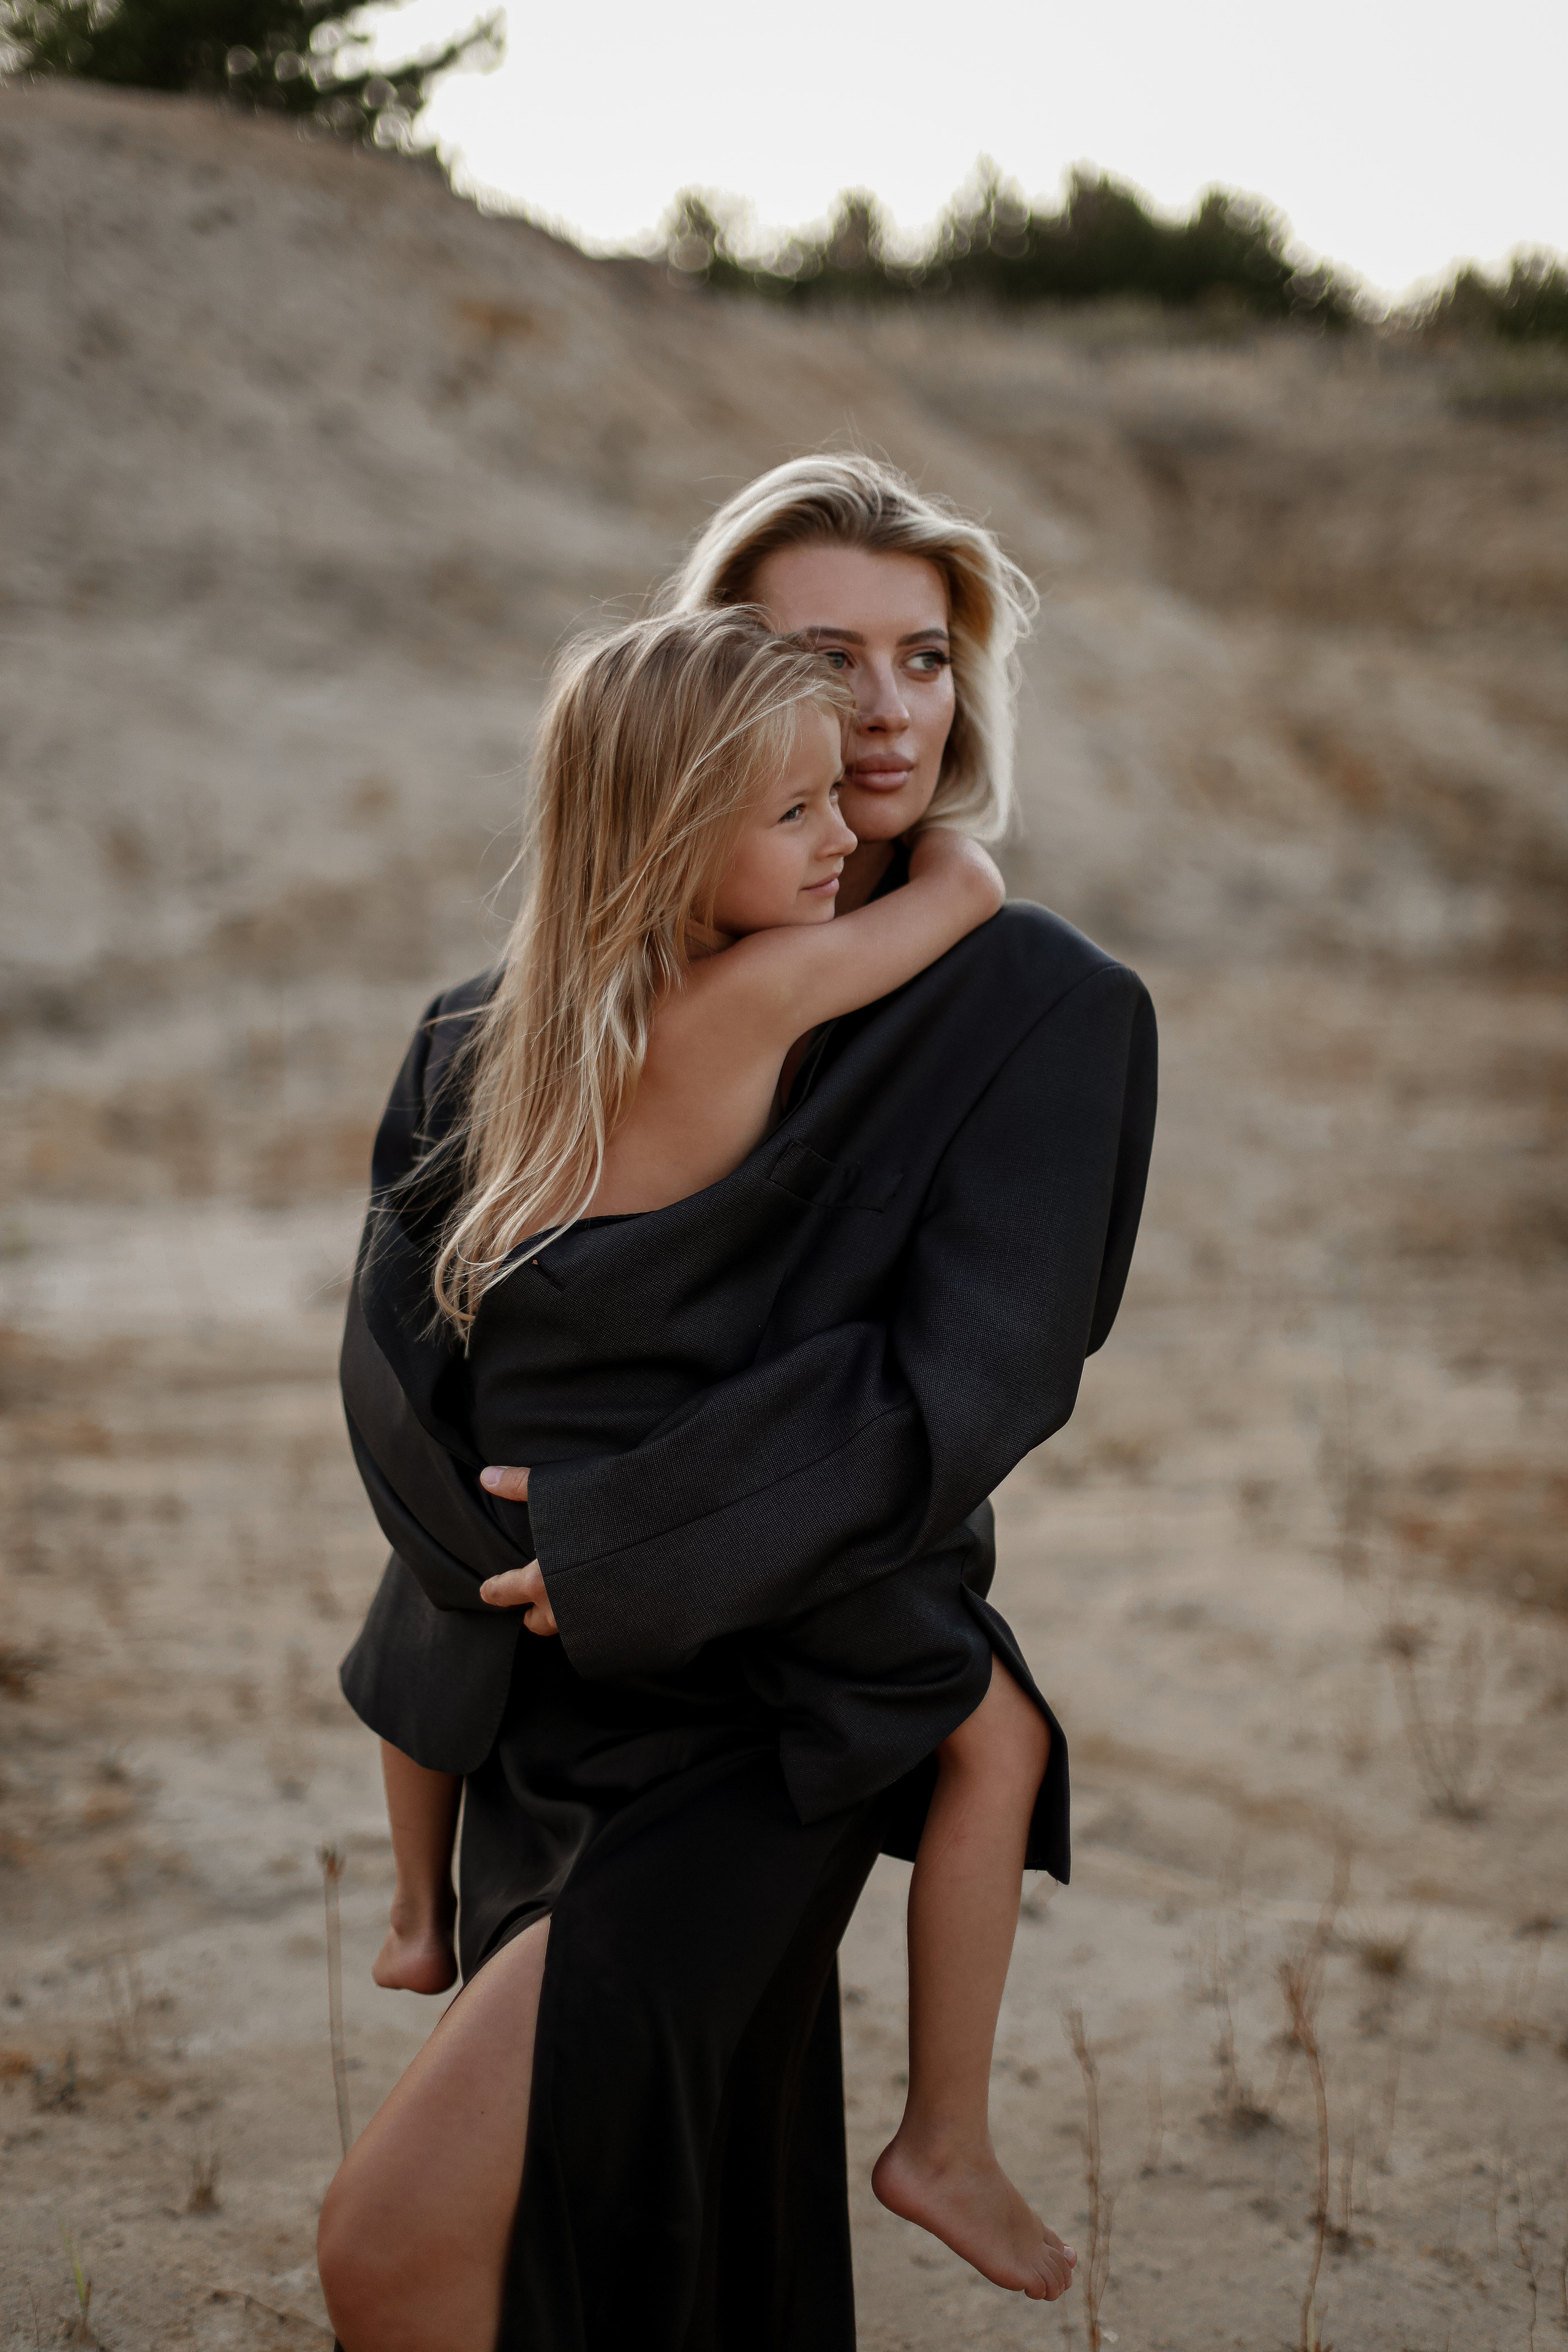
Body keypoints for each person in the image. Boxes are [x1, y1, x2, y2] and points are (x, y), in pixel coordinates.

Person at [320, 453, 1157, 2352]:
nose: (880, 708)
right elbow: (396, 1341)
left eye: (924, 658)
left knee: (411, 2243)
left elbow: (972, 1377)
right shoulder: (500, 1015)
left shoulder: (1035, 1004)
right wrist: (489, 1559)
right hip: (536, 1689)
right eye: (819, 652)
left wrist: (630, 1539)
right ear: (710, 669)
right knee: (661, 2229)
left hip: (782, 1694)